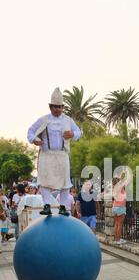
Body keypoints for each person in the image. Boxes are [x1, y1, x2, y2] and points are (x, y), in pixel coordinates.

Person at [27, 87, 81, 216]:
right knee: (44, 180)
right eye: (54, 107)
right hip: (46, 154)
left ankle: (62, 206)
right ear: (50, 107)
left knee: (65, 181)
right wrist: (34, 140)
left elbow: (79, 132)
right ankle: (47, 205)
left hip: (62, 155)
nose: (57, 109)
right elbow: (30, 131)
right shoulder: (43, 119)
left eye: (59, 107)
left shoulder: (68, 120)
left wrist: (73, 133)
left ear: (62, 107)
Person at [112, 171, 128, 244]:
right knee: (120, 225)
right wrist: (123, 172)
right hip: (121, 207)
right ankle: (118, 240)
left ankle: (115, 239)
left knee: (116, 224)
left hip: (115, 207)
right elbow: (122, 179)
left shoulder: (114, 188)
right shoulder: (120, 187)